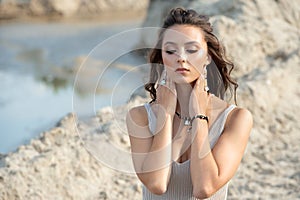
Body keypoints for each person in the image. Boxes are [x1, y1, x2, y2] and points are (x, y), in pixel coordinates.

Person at [126, 7, 253, 200]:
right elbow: (157, 184)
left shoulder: (235, 118)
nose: (181, 58)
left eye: (192, 50)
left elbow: (205, 187)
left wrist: (198, 115)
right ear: (161, 57)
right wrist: (165, 114)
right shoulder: (140, 117)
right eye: (170, 51)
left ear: (208, 57)